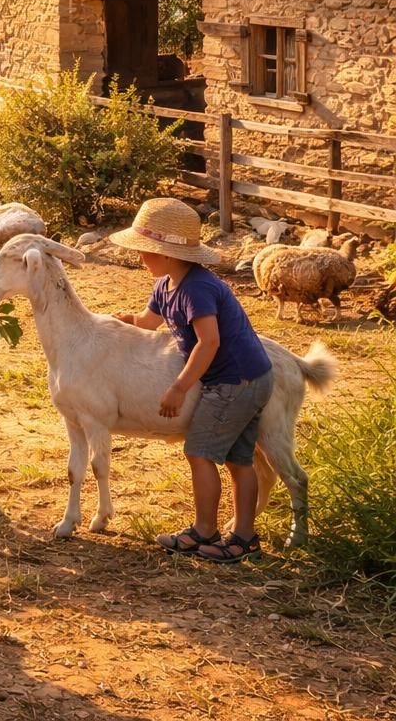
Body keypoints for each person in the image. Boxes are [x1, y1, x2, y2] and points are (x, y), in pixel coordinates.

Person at [110, 198, 275, 563]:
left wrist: (179, 387)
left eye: (145, 251)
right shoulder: (168, 284)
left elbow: (210, 341)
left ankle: (205, 531)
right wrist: (116, 321)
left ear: (167, 254)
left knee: (199, 453)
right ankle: (244, 538)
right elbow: (147, 322)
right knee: (239, 459)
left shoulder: (196, 288)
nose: (140, 258)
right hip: (252, 375)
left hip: (235, 381)